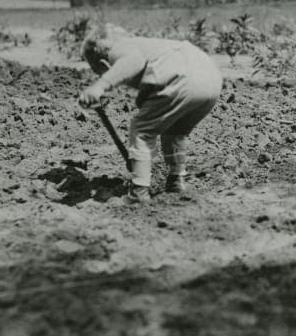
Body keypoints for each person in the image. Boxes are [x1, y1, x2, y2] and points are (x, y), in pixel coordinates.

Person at [77, 24, 224, 204]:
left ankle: (139, 191)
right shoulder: (152, 45)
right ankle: (176, 180)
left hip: (179, 79)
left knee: (141, 130)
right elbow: (150, 82)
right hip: (211, 80)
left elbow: (133, 61)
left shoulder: (121, 48)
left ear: (104, 64)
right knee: (175, 132)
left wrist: (101, 85)